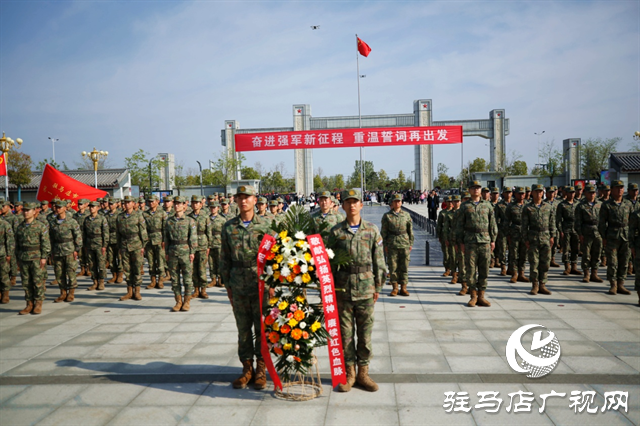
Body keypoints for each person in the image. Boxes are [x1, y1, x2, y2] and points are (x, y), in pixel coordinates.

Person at [327, 188, 386, 392]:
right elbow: (329, 263)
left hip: (366, 289)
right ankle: (349, 374)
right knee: (345, 335)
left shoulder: (371, 230)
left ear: (362, 204)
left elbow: (379, 261)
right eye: (348, 202)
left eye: (355, 202)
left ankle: (363, 373)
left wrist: (378, 286)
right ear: (342, 206)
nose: (352, 205)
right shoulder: (335, 232)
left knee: (365, 334)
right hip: (342, 290)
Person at [220, 185, 273, 390]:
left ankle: (261, 370)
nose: (243, 201)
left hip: (260, 284)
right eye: (240, 197)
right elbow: (224, 258)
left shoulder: (266, 226)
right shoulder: (228, 227)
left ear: (255, 199)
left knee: (262, 328)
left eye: (247, 197)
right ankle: (247, 369)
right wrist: (228, 286)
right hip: (238, 283)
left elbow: (274, 257)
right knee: (243, 330)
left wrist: (272, 284)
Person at [455, 181, 498, 307]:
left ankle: (481, 296)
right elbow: (459, 226)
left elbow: (492, 224)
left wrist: (493, 239)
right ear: (469, 190)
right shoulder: (464, 206)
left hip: (485, 241)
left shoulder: (488, 206)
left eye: (478, 188)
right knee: (471, 270)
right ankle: (473, 296)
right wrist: (461, 242)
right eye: (473, 188)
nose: (476, 190)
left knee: (484, 269)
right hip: (470, 241)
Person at [599, 180, 633, 296]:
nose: (620, 190)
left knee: (624, 261)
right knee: (613, 262)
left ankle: (621, 284)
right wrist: (604, 237)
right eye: (617, 188)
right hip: (612, 236)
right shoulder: (607, 205)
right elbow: (602, 223)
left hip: (626, 235)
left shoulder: (628, 204)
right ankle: (613, 284)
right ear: (612, 190)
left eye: (621, 188)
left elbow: (633, 222)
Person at [15, 203, 50, 315]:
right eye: (24, 210)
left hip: (36, 257)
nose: (26, 212)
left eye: (28, 210)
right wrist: (17, 259)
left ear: (34, 211)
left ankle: (38, 303)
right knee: (26, 282)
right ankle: (29, 304)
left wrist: (44, 257)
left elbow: (46, 243)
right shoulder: (20, 227)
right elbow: (17, 244)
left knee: (37, 281)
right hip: (24, 257)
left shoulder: (40, 226)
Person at [164, 196, 197, 312]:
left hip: (185, 252)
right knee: (175, 279)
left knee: (187, 279)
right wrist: (166, 252)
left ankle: (187, 301)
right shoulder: (169, 221)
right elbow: (166, 238)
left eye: (179, 204)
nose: (177, 206)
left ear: (184, 205)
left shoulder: (189, 220)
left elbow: (193, 238)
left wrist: (192, 252)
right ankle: (178, 301)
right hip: (172, 251)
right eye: (175, 203)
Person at [522, 184, 556, 295]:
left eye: (540, 191)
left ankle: (543, 284)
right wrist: (526, 238)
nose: (538, 194)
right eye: (536, 191)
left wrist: (552, 236)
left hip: (545, 236)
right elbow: (524, 225)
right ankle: (535, 285)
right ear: (532, 193)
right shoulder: (527, 208)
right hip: (533, 237)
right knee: (534, 262)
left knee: (545, 262)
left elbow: (552, 223)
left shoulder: (548, 206)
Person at [49, 200, 83, 303]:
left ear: (65, 208)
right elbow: (50, 237)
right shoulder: (53, 223)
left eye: (60, 207)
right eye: (56, 207)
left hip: (69, 249)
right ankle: (63, 293)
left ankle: (71, 293)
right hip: (57, 250)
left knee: (70, 271)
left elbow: (78, 236)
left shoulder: (72, 221)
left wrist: (77, 249)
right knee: (59, 273)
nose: (57, 209)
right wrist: (51, 251)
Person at [116, 195, 148, 301]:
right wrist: (119, 246)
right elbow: (118, 234)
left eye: (129, 202)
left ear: (133, 204)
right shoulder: (119, 217)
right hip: (124, 245)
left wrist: (143, 246)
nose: (127, 204)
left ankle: (137, 292)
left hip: (136, 245)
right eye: (125, 202)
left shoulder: (138, 216)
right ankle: (129, 292)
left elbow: (143, 232)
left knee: (137, 269)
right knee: (127, 269)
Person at [382, 193, 413, 297]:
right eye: (395, 201)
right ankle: (395, 287)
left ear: (401, 202)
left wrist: (411, 243)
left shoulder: (406, 215)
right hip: (392, 243)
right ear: (392, 202)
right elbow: (384, 232)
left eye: (399, 201)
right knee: (393, 266)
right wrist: (385, 244)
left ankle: (404, 287)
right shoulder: (387, 216)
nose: (397, 203)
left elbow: (410, 231)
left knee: (404, 265)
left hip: (404, 242)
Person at [575, 184, 603, 283]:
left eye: (593, 193)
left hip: (598, 231)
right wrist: (580, 234)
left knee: (597, 253)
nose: (592, 195)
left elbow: (603, 220)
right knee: (586, 254)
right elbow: (577, 222)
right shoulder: (581, 206)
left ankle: (594, 273)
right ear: (585, 193)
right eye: (590, 193)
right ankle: (586, 274)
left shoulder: (600, 204)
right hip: (586, 231)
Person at [189, 195, 212, 299]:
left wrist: (209, 246)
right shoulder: (188, 217)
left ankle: (203, 290)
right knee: (193, 269)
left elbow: (209, 231)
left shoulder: (205, 216)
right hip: (192, 246)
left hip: (203, 244)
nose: (195, 204)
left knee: (202, 268)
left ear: (201, 204)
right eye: (193, 203)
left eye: (197, 202)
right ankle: (196, 289)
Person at [84, 201, 110, 291]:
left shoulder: (102, 219)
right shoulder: (86, 219)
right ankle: (95, 282)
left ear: (98, 208)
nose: (92, 208)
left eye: (94, 207)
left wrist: (104, 245)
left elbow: (106, 233)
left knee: (101, 264)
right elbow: (84, 233)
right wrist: (85, 245)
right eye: (90, 207)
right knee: (91, 264)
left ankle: (101, 282)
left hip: (99, 243)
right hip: (89, 243)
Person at [143, 194, 167, 290]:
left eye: (153, 201)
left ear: (157, 201)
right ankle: (153, 280)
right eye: (149, 201)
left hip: (159, 239)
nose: (151, 203)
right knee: (151, 262)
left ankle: (160, 280)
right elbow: (143, 228)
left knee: (161, 261)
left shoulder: (162, 213)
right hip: (148, 240)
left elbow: (165, 228)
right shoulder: (145, 214)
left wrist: (164, 240)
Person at [505, 187, 529, 284]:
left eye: (523, 193)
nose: (521, 195)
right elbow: (506, 221)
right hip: (514, 232)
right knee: (514, 254)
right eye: (519, 194)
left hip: (525, 232)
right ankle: (514, 273)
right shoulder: (511, 206)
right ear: (515, 194)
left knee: (524, 253)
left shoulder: (528, 206)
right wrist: (508, 235)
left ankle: (521, 273)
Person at [556, 186, 581, 276]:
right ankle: (567, 267)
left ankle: (574, 266)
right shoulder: (562, 205)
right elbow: (558, 219)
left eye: (573, 192)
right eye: (570, 192)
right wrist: (560, 231)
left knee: (576, 248)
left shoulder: (578, 204)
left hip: (576, 228)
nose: (572, 194)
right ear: (566, 193)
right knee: (566, 248)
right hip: (566, 228)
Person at [207, 201, 226, 288]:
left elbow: (225, 232)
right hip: (209, 242)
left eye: (214, 207)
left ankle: (220, 279)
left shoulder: (222, 219)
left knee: (219, 262)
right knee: (211, 262)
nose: (213, 209)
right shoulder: (207, 219)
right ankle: (213, 279)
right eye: (211, 207)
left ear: (218, 208)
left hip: (219, 243)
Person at [494, 187, 512, 275]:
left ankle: (511, 267)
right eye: (506, 192)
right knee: (502, 249)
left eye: (509, 192)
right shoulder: (499, 205)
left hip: (513, 231)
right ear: (503, 194)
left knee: (513, 250)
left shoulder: (514, 204)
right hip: (502, 230)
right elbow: (496, 219)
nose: (508, 194)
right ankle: (503, 267)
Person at [106, 199, 123, 284]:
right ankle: (114, 275)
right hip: (109, 239)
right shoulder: (106, 215)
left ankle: (120, 275)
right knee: (111, 258)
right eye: (110, 204)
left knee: (119, 258)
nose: (111, 205)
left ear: (116, 204)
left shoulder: (120, 215)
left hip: (117, 239)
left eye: (112, 204)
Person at [0, 215, 14, 304]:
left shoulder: (5, 224)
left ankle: (5, 294)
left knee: (3, 274)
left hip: (2, 253)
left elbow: (10, 240)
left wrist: (9, 254)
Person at [75, 199, 91, 277]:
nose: (79, 206)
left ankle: (88, 269)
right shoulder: (75, 215)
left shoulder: (88, 214)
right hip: (79, 237)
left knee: (87, 254)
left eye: (81, 204)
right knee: (80, 254)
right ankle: (82, 269)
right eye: (79, 204)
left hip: (86, 237)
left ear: (85, 205)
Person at [436, 196, 452, 277]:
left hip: (455, 236)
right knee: (446, 253)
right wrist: (439, 235)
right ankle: (447, 269)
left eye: (451, 201)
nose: (450, 203)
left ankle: (455, 270)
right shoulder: (442, 213)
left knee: (455, 254)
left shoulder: (457, 212)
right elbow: (439, 225)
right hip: (445, 236)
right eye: (448, 201)